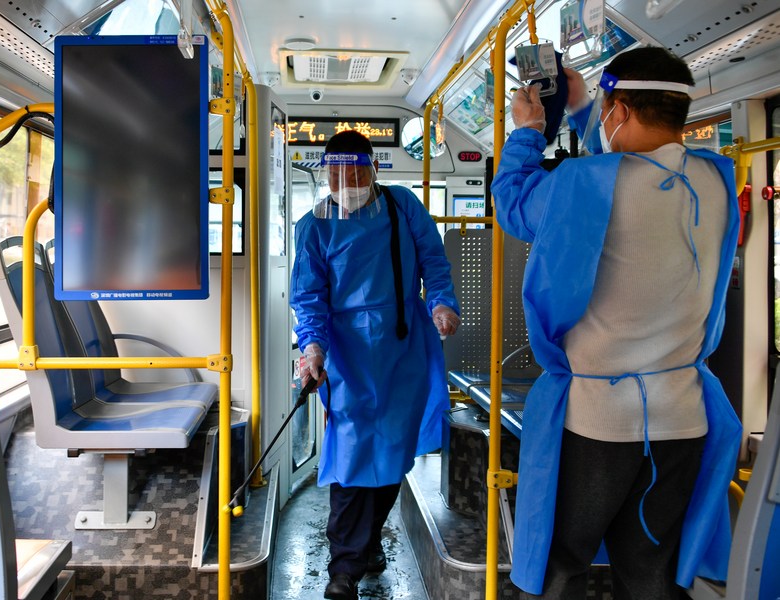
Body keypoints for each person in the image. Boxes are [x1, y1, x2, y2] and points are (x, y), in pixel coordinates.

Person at [490, 46, 742, 599]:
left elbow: (514, 204)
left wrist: (528, 131)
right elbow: (631, 165)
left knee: (562, 566)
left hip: (598, 423)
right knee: (650, 571)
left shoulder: (581, 183)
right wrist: (586, 108)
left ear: (621, 110)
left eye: (608, 111)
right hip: (682, 419)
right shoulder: (717, 182)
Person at [290, 129, 461, 600]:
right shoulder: (314, 226)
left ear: (374, 170)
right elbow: (308, 298)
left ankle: (367, 545)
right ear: (325, 175)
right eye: (336, 175)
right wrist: (313, 347)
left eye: (355, 173)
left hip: (403, 348)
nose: (345, 183)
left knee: (391, 454)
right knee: (350, 459)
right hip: (347, 356)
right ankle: (343, 569)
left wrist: (442, 303)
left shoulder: (402, 206)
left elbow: (434, 261)